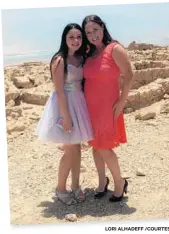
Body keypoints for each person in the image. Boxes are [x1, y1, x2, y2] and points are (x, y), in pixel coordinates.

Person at [36, 23, 93, 205]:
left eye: (79, 37)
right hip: (65, 105)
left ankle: (76, 186)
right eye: (71, 37)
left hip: (79, 102)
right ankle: (61, 189)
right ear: (65, 39)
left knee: (77, 148)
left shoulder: (80, 58)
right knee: (69, 150)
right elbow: (59, 91)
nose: (76, 40)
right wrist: (65, 116)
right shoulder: (60, 60)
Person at [82, 15, 133, 202]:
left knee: (104, 147)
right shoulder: (89, 53)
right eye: (88, 32)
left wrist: (122, 101)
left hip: (107, 108)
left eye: (95, 29)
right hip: (90, 108)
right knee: (95, 147)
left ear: (102, 27)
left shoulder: (115, 49)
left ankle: (120, 182)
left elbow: (129, 75)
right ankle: (102, 182)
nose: (92, 35)